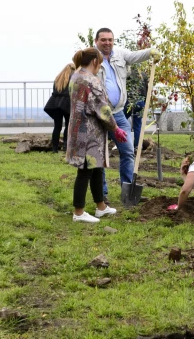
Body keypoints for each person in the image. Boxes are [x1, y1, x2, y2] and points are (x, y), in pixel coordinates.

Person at [94, 28, 160, 203]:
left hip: (119, 114)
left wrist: (150, 52)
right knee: (100, 155)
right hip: (99, 117)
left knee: (128, 151)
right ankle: (102, 194)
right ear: (96, 41)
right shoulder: (92, 58)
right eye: (103, 40)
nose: (107, 43)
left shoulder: (120, 54)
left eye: (110, 40)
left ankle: (128, 192)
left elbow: (135, 56)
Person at [66, 48, 128, 223]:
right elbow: (103, 109)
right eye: (100, 62)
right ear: (95, 62)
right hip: (89, 133)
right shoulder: (91, 81)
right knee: (85, 170)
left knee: (96, 169)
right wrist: (116, 128)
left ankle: (101, 207)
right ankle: (79, 212)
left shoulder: (76, 77)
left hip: (79, 129)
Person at [44, 63, 76, 152]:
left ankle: (54, 148)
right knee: (68, 125)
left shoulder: (58, 78)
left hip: (55, 103)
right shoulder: (73, 77)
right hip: (67, 103)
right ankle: (66, 146)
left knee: (57, 127)